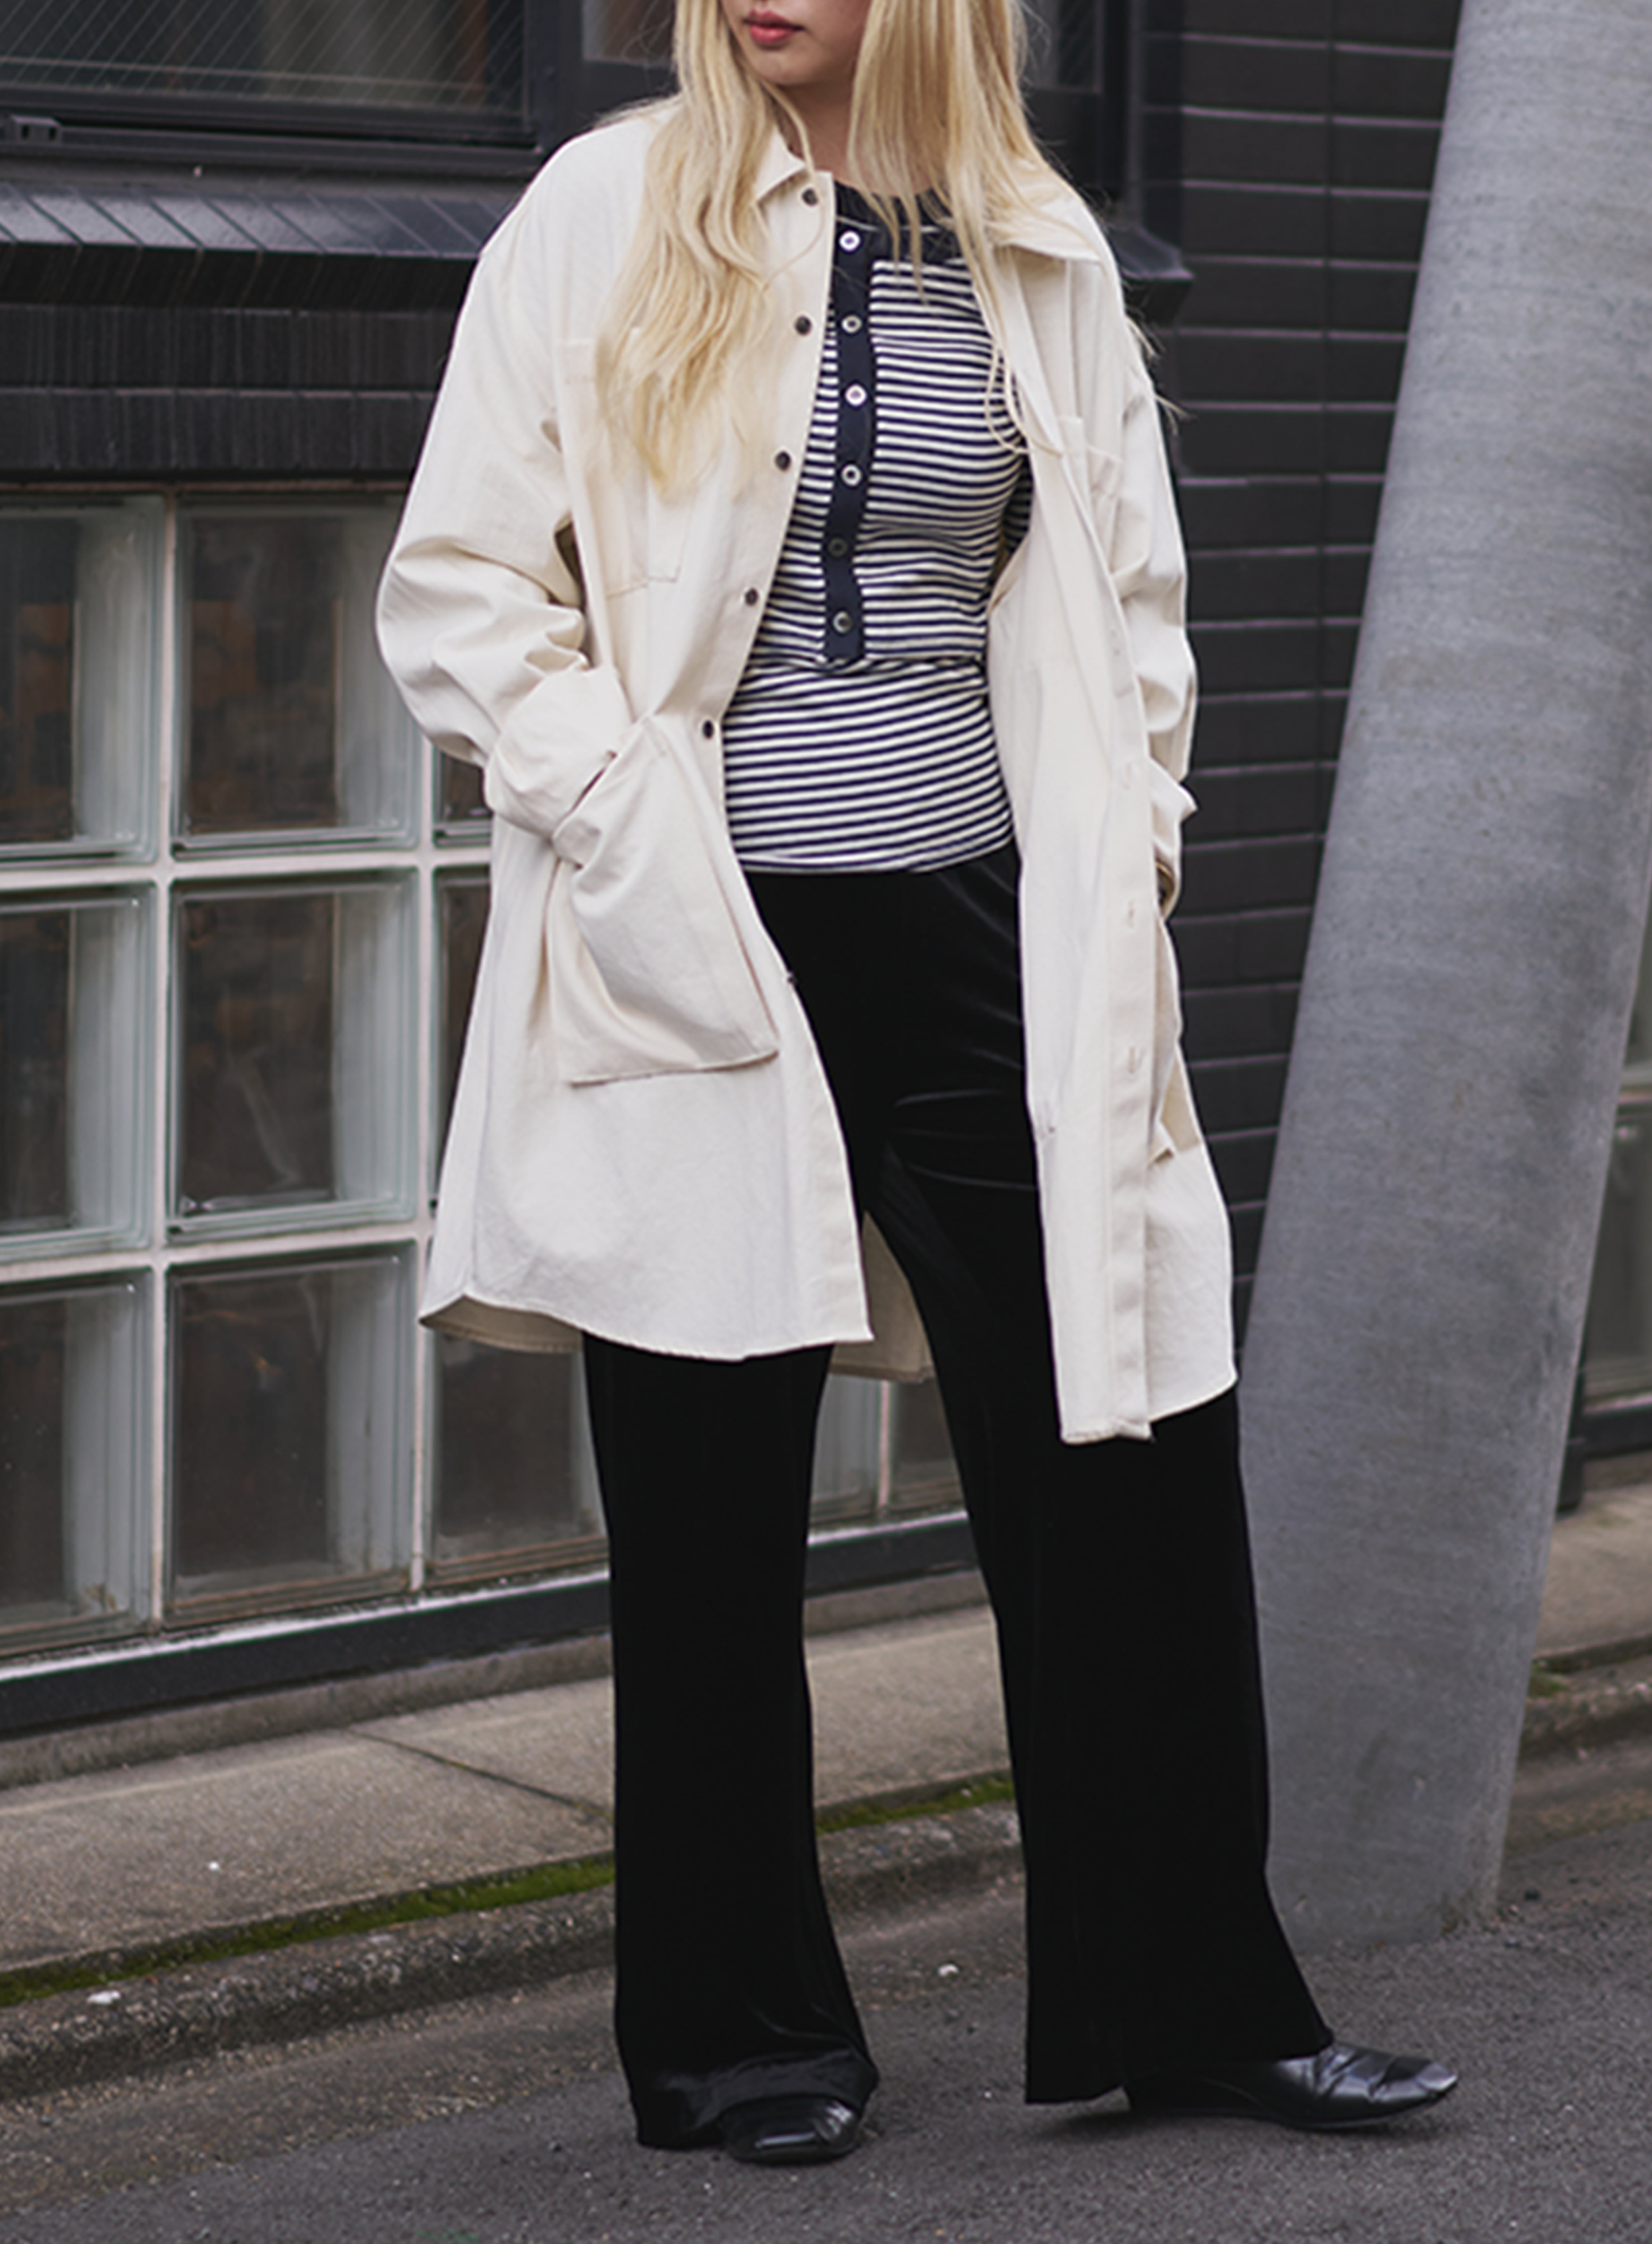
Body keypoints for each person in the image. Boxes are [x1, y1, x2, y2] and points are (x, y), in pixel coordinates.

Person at [377, 0, 1458, 2168]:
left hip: (979, 929)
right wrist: (614, 812)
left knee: (1124, 1452)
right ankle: (740, 2040)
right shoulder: (600, 208)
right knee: (704, 1506)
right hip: (696, 939)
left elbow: (1126, 595)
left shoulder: (1030, 242)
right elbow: (465, 583)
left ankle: (1193, 2004)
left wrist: (1134, 841)